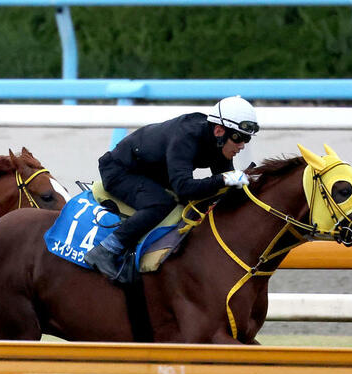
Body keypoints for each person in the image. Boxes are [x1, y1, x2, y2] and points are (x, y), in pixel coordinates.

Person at [83, 95, 259, 282]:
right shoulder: (187, 136)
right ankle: (106, 249)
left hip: (151, 173)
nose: (242, 145)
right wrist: (224, 179)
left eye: (246, 139)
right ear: (218, 130)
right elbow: (185, 187)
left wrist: (249, 187)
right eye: (238, 138)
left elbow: (224, 185)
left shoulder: (219, 142)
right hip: (119, 170)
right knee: (160, 204)